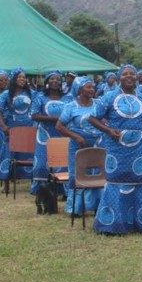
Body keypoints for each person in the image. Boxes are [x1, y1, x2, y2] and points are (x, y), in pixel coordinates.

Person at [89, 64, 142, 234]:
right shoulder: (108, 97)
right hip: (117, 149)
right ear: (118, 78)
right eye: (125, 74)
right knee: (117, 180)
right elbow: (92, 118)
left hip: (140, 149)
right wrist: (108, 130)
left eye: (132, 74)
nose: (129, 77)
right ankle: (114, 224)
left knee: (141, 180)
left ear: (137, 78)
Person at [55, 76, 103, 215]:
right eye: (88, 87)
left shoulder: (98, 104)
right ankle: (75, 208)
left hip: (98, 145)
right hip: (78, 146)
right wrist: (76, 136)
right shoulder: (71, 106)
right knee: (78, 175)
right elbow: (59, 126)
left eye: (93, 87)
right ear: (79, 89)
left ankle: (97, 206)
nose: (92, 89)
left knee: (97, 174)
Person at [30, 71, 73, 195]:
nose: (55, 81)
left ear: (61, 82)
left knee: (63, 163)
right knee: (41, 165)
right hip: (44, 134)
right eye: (52, 79)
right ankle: (41, 189)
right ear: (47, 82)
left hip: (62, 133)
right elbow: (34, 115)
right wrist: (56, 119)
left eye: (58, 79)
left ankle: (62, 190)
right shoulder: (40, 97)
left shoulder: (68, 98)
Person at [0, 68, 36, 188]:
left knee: (29, 153)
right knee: (9, 153)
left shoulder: (31, 93)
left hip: (29, 127)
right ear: (14, 79)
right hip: (12, 128)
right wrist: (4, 126)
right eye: (19, 77)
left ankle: (32, 180)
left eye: (24, 77)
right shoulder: (6, 94)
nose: (22, 79)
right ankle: (6, 181)